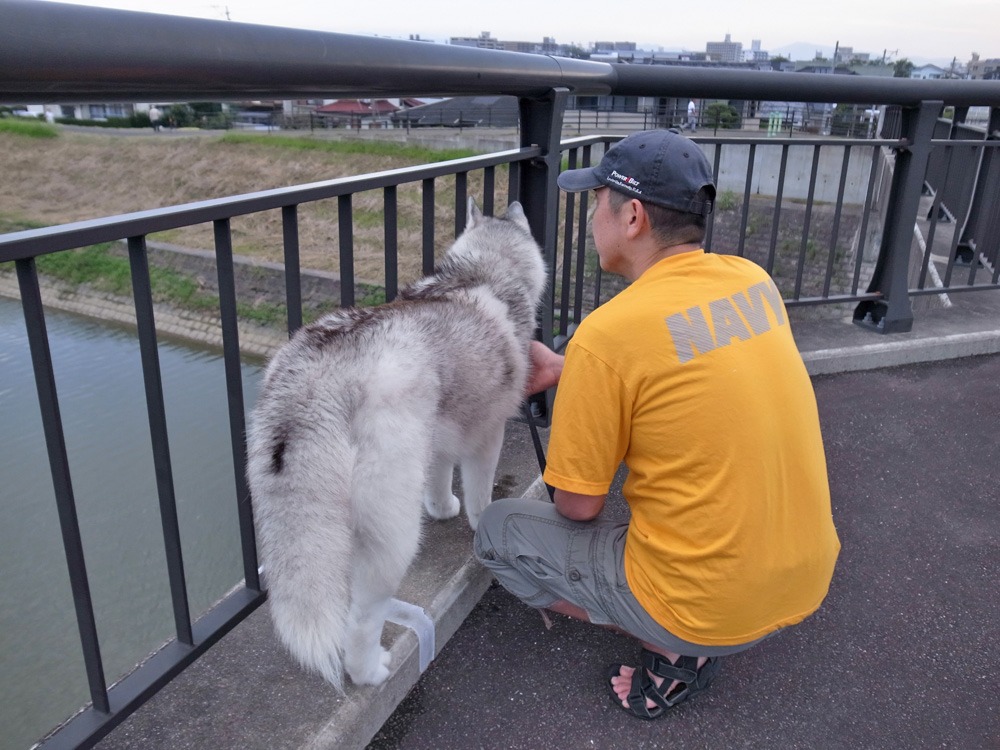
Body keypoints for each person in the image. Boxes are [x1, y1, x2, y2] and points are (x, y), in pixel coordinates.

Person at [473, 129, 840, 719]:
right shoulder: (752, 281)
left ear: (633, 216)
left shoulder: (611, 333)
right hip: (806, 578)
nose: (592, 216)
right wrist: (577, 373)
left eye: (597, 202)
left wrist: (588, 374)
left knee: (496, 532)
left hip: (707, 606)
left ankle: (672, 648)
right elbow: (688, 368)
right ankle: (694, 628)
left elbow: (578, 508)